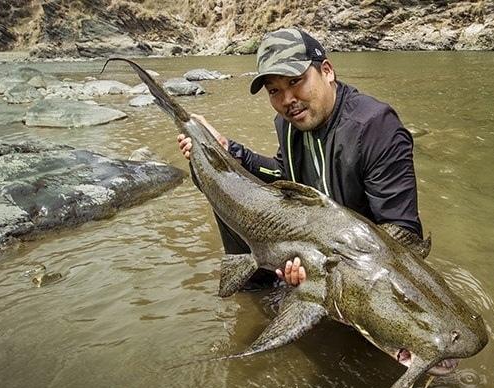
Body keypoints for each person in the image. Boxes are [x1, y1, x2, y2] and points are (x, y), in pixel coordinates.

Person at [177, 28, 425, 287]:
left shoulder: (375, 127)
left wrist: (325, 268)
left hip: (360, 263)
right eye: (274, 91)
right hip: (313, 238)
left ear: (327, 71)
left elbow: (402, 234)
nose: (287, 100)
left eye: (295, 81)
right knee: (231, 189)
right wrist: (231, 151)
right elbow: (284, 172)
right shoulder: (288, 123)